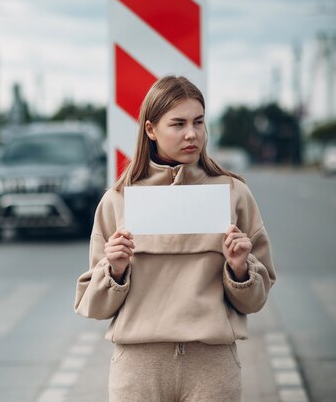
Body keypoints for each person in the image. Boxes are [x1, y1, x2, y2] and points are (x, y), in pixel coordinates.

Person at [74, 76, 276, 402]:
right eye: (178, 123)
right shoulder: (118, 199)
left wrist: (240, 270)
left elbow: (255, 301)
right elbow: (95, 307)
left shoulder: (234, 194)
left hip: (212, 366)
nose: (191, 134)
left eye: (198, 122)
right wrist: (115, 270)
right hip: (138, 368)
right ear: (151, 130)